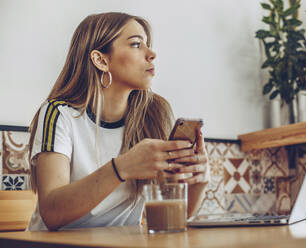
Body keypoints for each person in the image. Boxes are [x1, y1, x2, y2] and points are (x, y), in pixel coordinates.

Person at [27, 12, 209, 231]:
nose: (151, 54)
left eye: (148, 45)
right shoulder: (59, 113)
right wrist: (122, 167)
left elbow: (169, 218)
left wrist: (199, 182)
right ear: (101, 60)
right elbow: (52, 213)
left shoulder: (153, 113)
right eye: (136, 44)